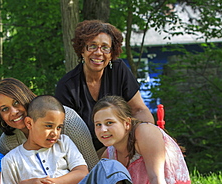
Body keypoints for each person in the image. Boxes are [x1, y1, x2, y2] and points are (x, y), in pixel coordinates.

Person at [94, 96, 195, 184]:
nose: (103, 129)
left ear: (127, 123)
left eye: (109, 122)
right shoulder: (109, 154)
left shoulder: (144, 132)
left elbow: (156, 176)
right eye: (98, 124)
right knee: (106, 180)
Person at [55, 20, 154, 154]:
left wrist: (148, 136)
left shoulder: (119, 71)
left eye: (105, 47)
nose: (98, 52)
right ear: (82, 50)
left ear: (111, 53)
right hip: (85, 153)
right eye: (92, 46)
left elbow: (139, 110)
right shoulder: (67, 86)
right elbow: (64, 134)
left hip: (124, 145)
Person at [0, 95, 89, 184]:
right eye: (49, 126)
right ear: (29, 123)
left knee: (109, 166)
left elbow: (82, 173)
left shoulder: (63, 142)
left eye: (59, 127)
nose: (55, 133)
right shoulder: (11, 159)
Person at [0, 77, 99, 170]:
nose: (14, 112)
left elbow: (93, 168)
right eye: (4, 109)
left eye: (16, 102)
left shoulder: (67, 119)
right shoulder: (7, 142)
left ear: (25, 98)